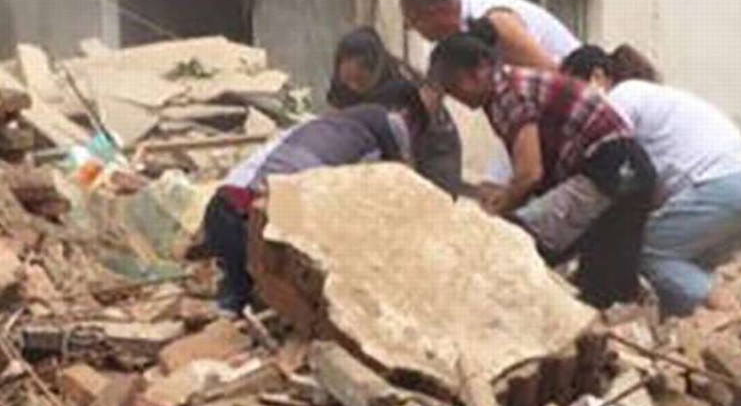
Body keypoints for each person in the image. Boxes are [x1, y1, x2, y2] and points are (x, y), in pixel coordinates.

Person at [427, 27, 657, 309]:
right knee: (599, 280)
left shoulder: (506, 92)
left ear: (480, 70)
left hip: (611, 167)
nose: (456, 98)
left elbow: (529, 173)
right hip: (620, 169)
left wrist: (494, 214)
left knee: (517, 241)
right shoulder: (504, 90)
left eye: (455, 86)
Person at [561, 45, 741, 316]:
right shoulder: (653, 97)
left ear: (598, 77)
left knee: (647, 253)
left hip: (718, 187)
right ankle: (703, 335)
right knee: (678, 272)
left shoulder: (622, 96)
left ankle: (731, 315)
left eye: (574, 92)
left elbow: (608, 159)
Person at [202, 88, 431, 314]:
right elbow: (406, 188)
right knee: (308, 294)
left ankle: (233, 302)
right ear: (408, 116)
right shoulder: (394, 122)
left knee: (242, 297)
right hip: (264, 213)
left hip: (221, 208)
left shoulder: (317, 126)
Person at [327, 26, 462, 195]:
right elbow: (334, 119)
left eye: (360, 81)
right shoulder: (343, 83)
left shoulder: (402, 92)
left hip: (431, 156)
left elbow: (403, 155)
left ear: (375, 71)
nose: (353, 87)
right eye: (348, 81)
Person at [401, 0, 581, 70]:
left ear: (437, 13)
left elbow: (552, 74)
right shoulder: (461, 33)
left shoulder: (496, 23)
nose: (414, 30)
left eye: (415, 21)